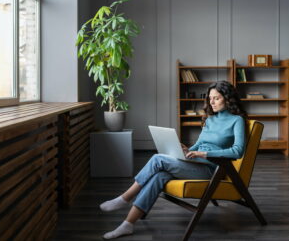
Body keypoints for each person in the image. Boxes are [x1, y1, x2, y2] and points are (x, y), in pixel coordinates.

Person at [100, 80, 248, 239]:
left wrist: (203, 155)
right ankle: (127, 224)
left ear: (228, 98)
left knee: (158, 159)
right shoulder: (210, 119)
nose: (211, 102)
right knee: (159, 176)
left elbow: (237, 151)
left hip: (211, 169)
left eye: (216, 98)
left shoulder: (236, 120)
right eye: (210, 98)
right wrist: (187, 150)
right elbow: (199, 144)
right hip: (194, 163)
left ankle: (125, 198)